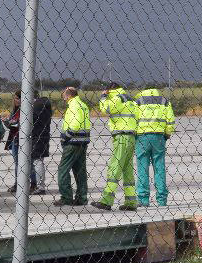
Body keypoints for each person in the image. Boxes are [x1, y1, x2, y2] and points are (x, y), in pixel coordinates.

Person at [91, 82, 138, 211]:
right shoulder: (130, 99)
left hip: (122, 136)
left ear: (110, 90)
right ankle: (131, 201)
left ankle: (107, 201)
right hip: (131, 136)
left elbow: (105, 109)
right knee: (127, 170)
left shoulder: (117, 98)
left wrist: (103, 97)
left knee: (115, 167)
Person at [135, 88, 176, 207]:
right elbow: (171, 121)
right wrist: (167, 134)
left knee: (142, 168)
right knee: (159, 167)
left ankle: (143, 199)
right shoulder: (164, 101)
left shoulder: (138, 102)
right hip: (159, 136)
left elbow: (133, 119)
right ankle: (162, 200)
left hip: (142, 137)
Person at [53, 87, 91, 207]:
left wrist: (65, 137)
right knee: (80, 171)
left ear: (68, 95)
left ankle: (66, 197)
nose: (62, 96)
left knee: (63, 170)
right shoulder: (83, 104)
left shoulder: (73, 105)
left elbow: (75, 124)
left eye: (63, 94)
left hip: (73, 142)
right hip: (83, 141)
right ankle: (82, 197)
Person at [30, 95, 53, 195]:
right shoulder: (45, 110)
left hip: (36, 138)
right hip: (43, 137)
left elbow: (30, 122)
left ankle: (40, 186)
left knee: (37, 161)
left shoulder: (36, 109)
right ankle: (39, 185)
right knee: (38, 161)